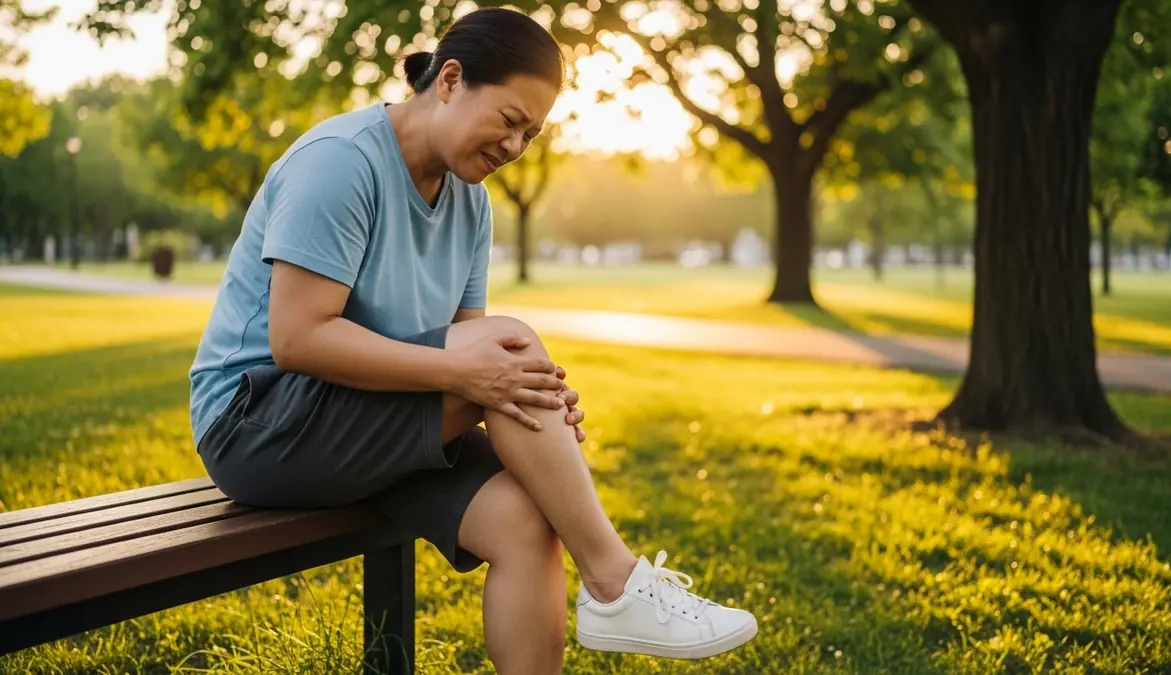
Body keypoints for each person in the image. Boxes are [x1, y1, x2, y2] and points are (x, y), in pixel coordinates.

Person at [188, 7, 757, 672]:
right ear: (451, 80)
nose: (516, 147)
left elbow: (468, 344)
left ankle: (609, 588)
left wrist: (527, 398)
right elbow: (298, 338)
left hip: (366, 413)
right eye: (511, 121)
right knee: (510, 349)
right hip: (257, 422)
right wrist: (486, 377)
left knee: (529, 516)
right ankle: (612, 581)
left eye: (531, 135)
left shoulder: (470, 200)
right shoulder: (340, 163)